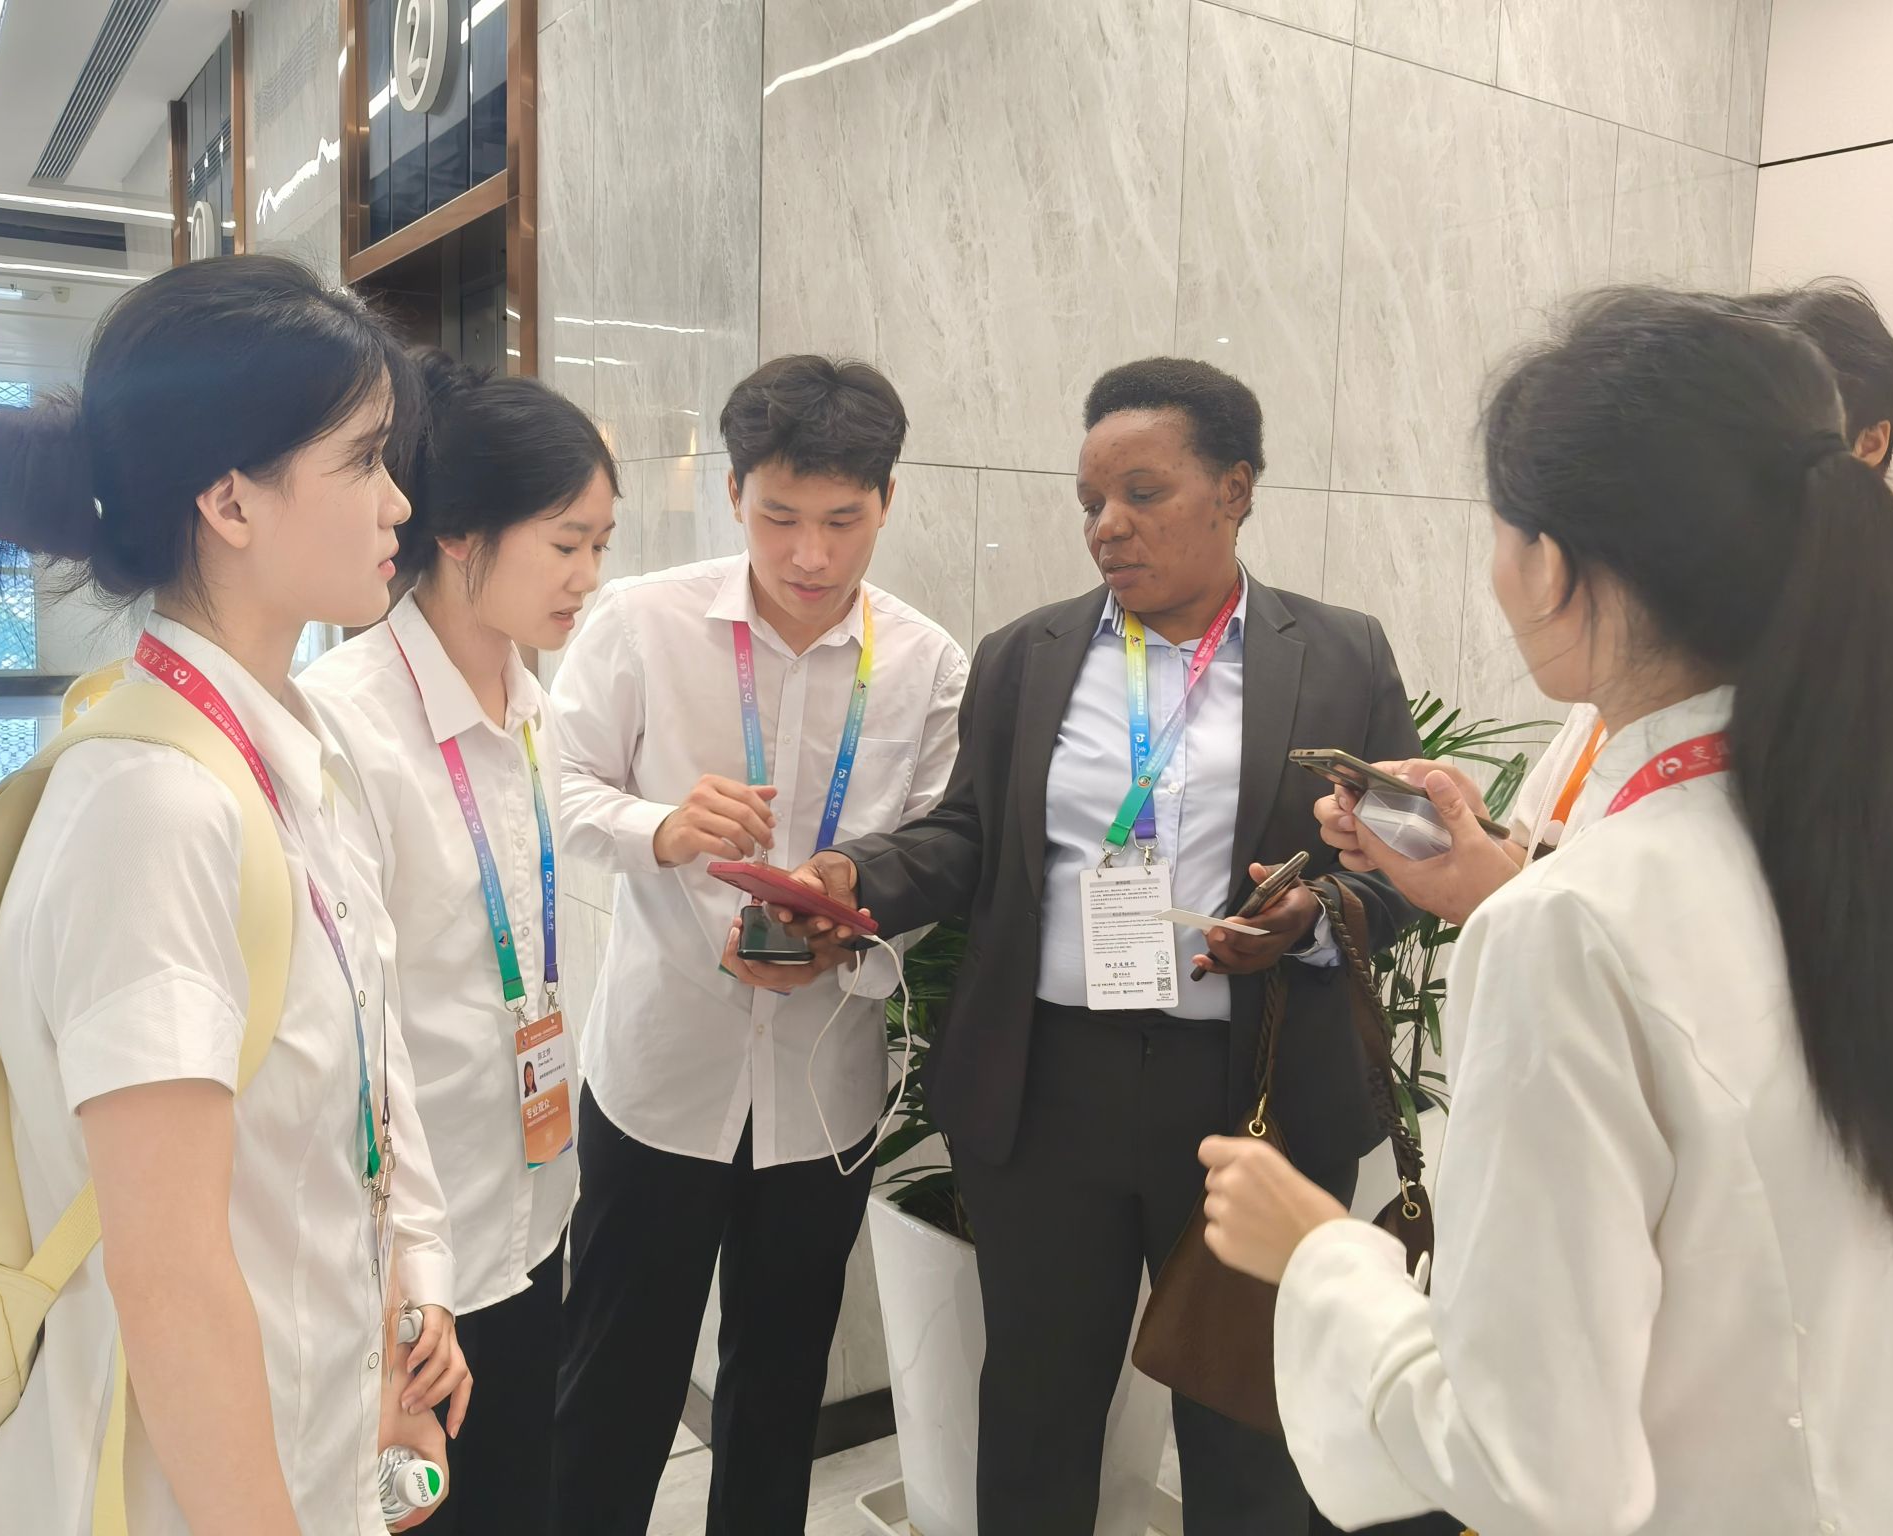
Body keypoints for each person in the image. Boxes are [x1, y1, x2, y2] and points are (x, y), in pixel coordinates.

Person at [1197, 288, 1893, 1533]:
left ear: (1548, 561)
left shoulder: (1568, 928)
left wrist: (1317, 1252)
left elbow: (1529, 1468)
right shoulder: (1870, 833)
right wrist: (1498, 879)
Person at [783, 357, 1423, 1535]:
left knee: (1246, 1418)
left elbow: (1393, 872)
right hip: (1047, 1090)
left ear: (1234, 489)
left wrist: (1307, 921)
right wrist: (856, 877)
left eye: (1141, 493)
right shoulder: (1026, 654)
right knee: (1036, 1404)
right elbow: (970, 835)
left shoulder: (1338, 655)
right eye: (1089, 502)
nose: (1106, 527)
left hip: (1249, 1095)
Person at [0, 254, 464, 1535]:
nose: (399, 500)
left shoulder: (281, 755)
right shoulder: (156, 810)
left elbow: (322, 1131)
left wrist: (396, 1325)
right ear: (230, 498)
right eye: (364, 459)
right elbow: (168, 1281)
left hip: (304, 1438)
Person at [547, 355, 967, 1534]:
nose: (809, 555)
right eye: (779, 516)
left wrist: (847, 932)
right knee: (616, 1375)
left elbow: (940, 851)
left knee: (779, 1389)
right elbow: (555, 787)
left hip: (822, 1090)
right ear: (731, 492)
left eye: (842, 519)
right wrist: (661, 828)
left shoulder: (926, 665)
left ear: (887, 500)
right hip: (659, 1074)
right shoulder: (641, 622)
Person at [1320, 277, 1893, 923]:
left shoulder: (1852, 661)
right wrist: (1472, 843)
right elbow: (1549, 859)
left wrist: (1517, 918)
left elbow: (1627, 927)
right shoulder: (1647, 660)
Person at [301, 350, 619, 1535]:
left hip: (530, 1204)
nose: (589, 576)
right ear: (457, 534)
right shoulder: (348, 722)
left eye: (602, 543)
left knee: (521, 1496)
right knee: (424, 1512)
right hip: (410, 1255)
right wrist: (401, 1274)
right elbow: (345, 1029)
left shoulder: (533, 708)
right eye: (565, 542)